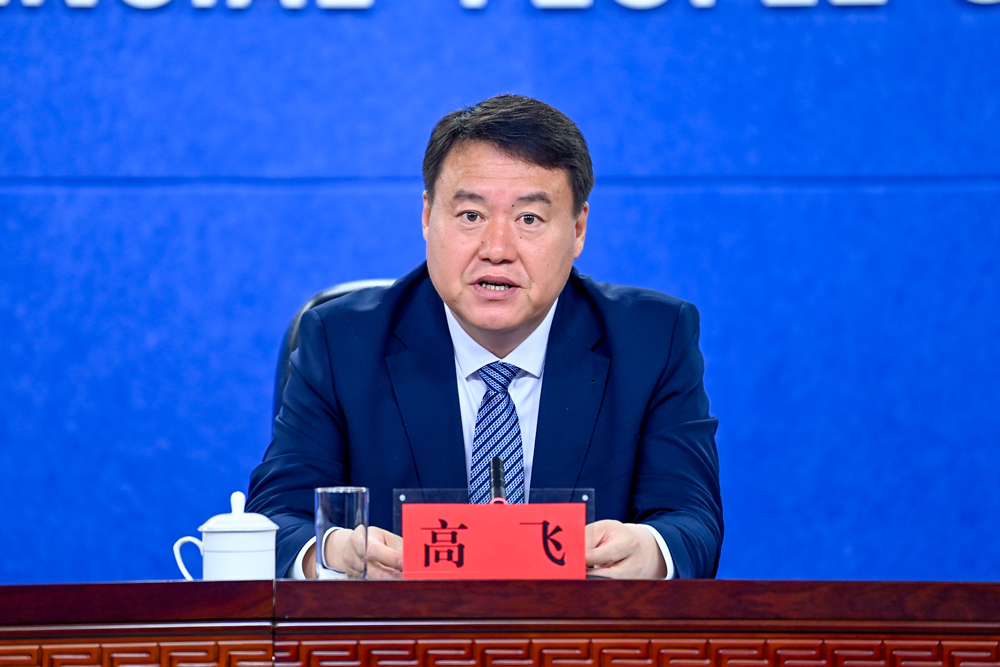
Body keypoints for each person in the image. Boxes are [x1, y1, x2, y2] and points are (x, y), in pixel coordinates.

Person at [247, 94, 723, 581]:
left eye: (529, 219)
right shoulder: (341, 342)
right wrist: (330, 552)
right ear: (428, 217)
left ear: (578, 229)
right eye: (471, 215)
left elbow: (691, 521)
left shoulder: (651, 340)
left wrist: (650, 551)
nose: (497, 249)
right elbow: (275, 519)